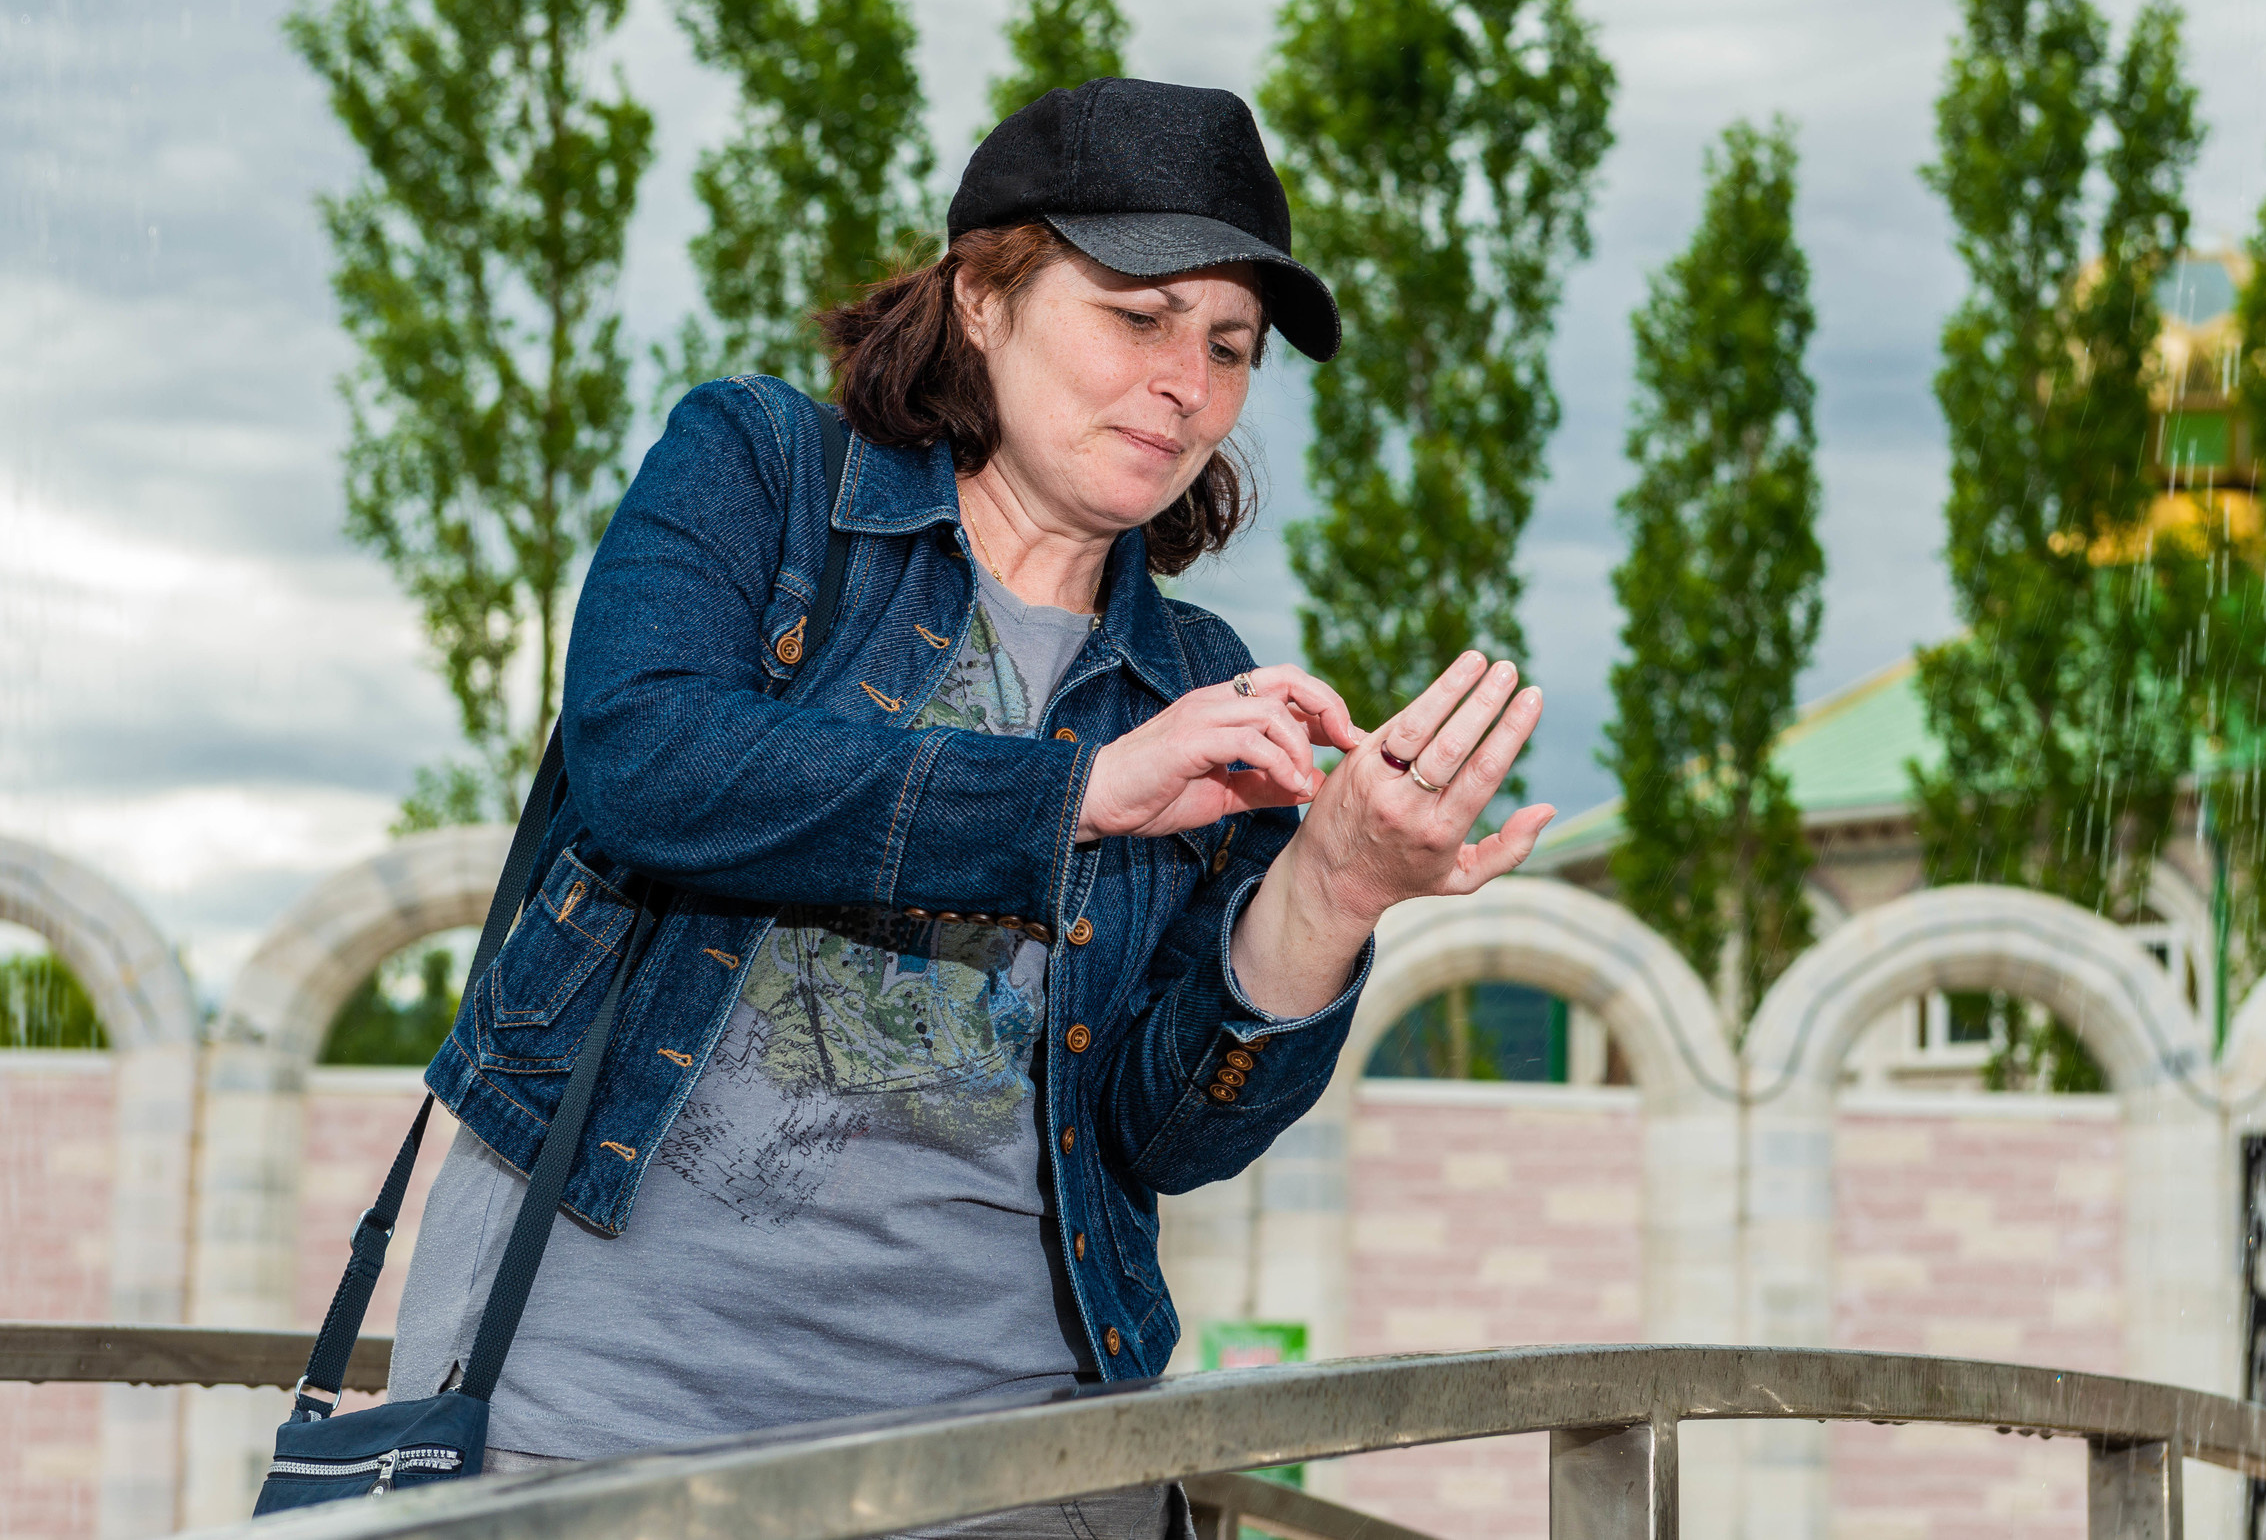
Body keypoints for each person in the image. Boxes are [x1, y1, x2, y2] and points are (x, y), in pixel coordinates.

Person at [386, 78, 1553, 1539]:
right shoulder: (759, 472)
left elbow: (1164, 1132)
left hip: (1025, 1474)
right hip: (614, 1436)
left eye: (1230, 344)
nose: (1187, 379)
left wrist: (1333, 885)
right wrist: (1076, 792)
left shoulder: (1194, 680)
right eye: (1140, 315)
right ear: (983, 295)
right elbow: (650, 765)